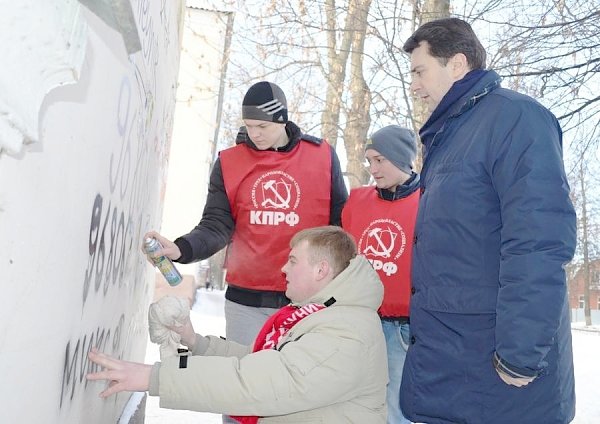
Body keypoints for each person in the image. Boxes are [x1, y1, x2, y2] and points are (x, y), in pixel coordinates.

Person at [398, 17, 577, 424]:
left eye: (420, 71)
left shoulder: (516, 120)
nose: (414, 85)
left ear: (457, 64)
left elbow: (539, 240)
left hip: (498, 372)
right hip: (455, 361)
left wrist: (520, 353)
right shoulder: (452, 135)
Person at [87, 226, 388, 423]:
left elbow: (258, 383)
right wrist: (195, 342)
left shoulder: (346, 334)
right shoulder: (327, 314)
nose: (284, 268)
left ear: (321, 270)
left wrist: (156, 377)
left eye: (293, 261)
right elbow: (260, 362)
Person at [144, 81, 347, 351]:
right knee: (243, 380)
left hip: (307, 299)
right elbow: (216, 225)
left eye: (263, 127)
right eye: (249, 126)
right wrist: (182, 249)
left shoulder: (322, 157)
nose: (255, 134)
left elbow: (341, 227)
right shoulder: (229, 163)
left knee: (297, 386)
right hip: (246, 301)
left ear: (282, 120)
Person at [341, 125, 419, 424]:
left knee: (396, 413)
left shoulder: (429, 201)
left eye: (380, 160)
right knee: (354, 407)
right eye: (369, 161)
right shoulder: (357, 201)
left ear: (401, 159)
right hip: (359, 322)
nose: (372, 169)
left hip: (403, 330)